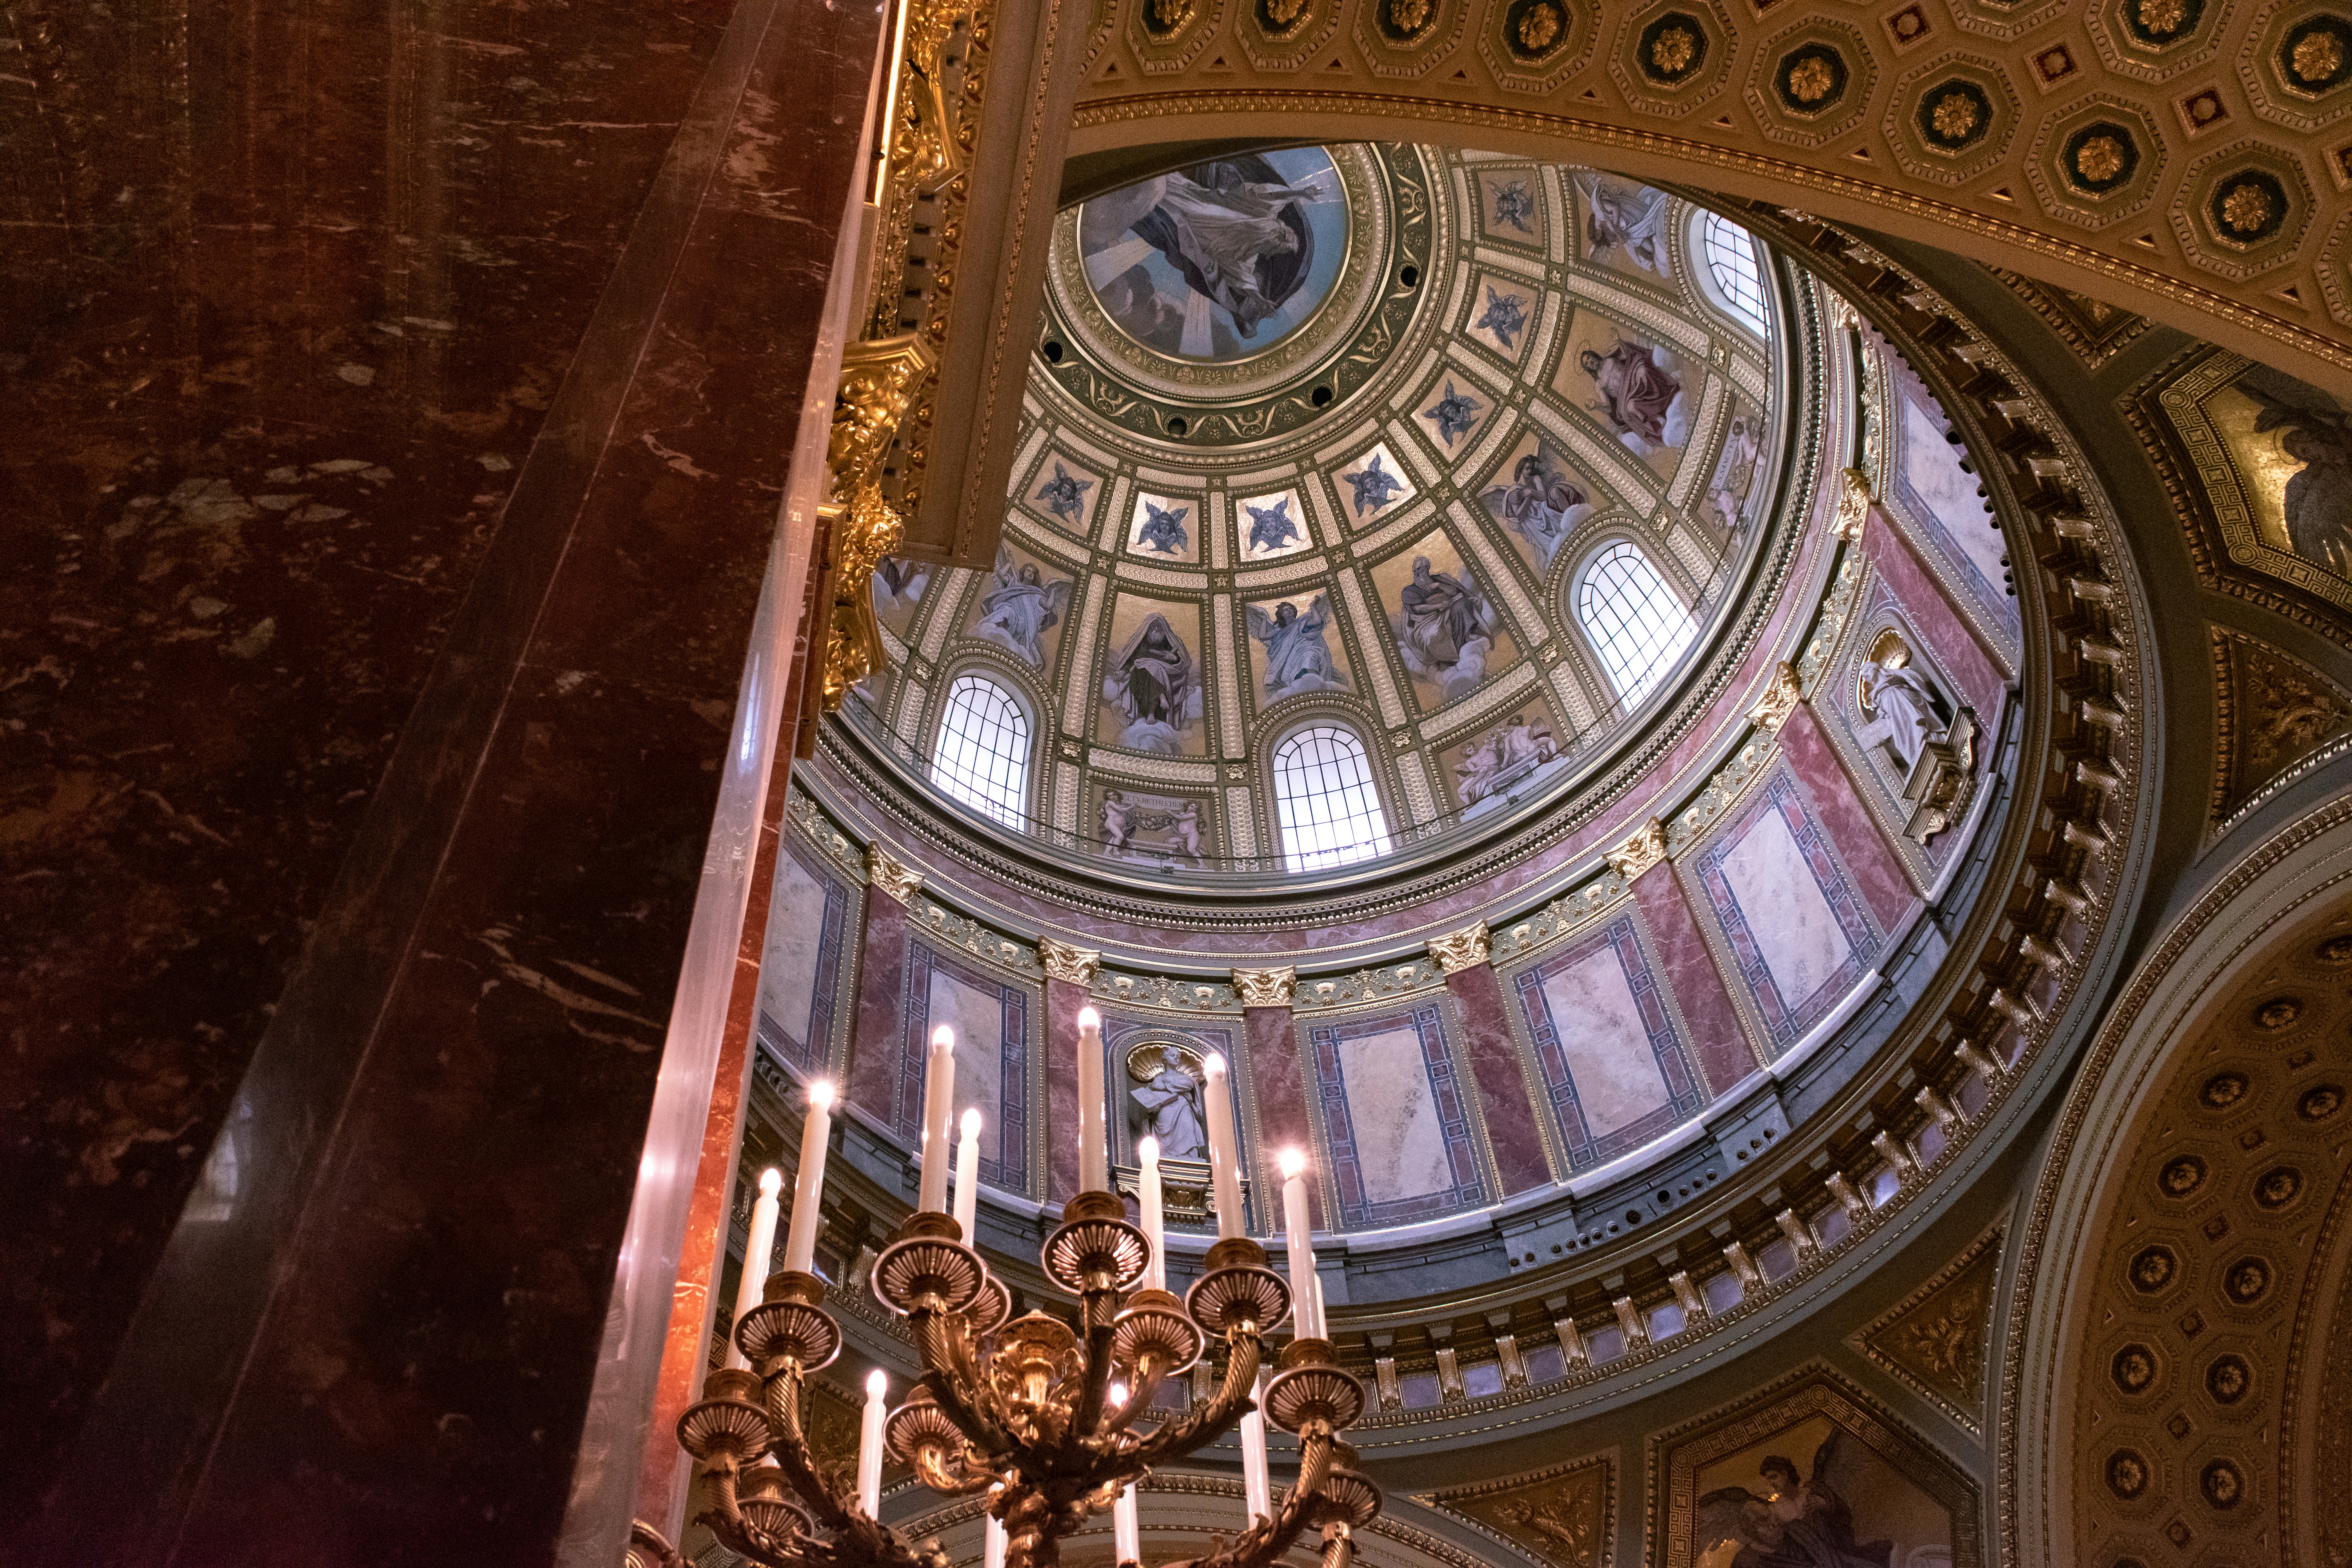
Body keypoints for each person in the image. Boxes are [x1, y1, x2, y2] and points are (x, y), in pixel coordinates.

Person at [1396, 555, 1495, 698]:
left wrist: (1439, 586)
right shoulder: (1409, 591)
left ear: (1427, 569)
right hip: (1426, 620)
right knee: (1433, 634)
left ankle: (1467, 637)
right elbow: (1417, 609)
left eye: (1421, 569)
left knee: (1462, 604)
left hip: (1448, 608)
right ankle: (1447, 660)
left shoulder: (1440, 579)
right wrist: (1438, 606)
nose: (1418, 573)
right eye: (1415, 571)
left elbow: (1455, 592)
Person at [1103, 613, 1199, 750]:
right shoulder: (1139, 644)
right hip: (1140, 680)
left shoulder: (1171, 644)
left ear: (1164, 630)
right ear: (1147, 629)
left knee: (1152, 668)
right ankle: (1160, 697)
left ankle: (1152, 711)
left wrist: (1174, 659)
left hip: (1165, 680)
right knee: (1145, 668)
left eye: (1159, 629)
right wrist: (1123, 672)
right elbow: (1129, 661)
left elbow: (1184, 666)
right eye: (1153, 628)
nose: (1156, 631)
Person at [972, 546, 1071, 668]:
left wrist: (1054, 592)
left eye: (1033, 573)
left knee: (1008, 611)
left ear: (1035, 577)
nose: (1030, 574)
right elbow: (1001, 574)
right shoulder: (1015, 584)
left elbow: (1048, 606)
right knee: (1007, 609)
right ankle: (990, 629)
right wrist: (1009, 563)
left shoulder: (1037, 593)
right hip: (1010, 614)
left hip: (1023, 623)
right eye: (1028, 571)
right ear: (1023, 573)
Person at [1580, 339, 1684, 448]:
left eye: (1589, 358)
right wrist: (1596, 405)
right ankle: (1655, 424)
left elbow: (1629, 355)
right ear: (1588, 369)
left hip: (1633, 379)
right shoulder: (1599, 385)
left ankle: (1667, 394)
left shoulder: (1610, 360)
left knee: (1643, 371)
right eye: (1587, 364)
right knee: (1631, 408)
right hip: (1625, 397)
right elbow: (1609, 408)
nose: (1590, 362)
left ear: (1593, 355)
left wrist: (1619, 341)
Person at [1858, 654, 1946, 772]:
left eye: (1867, 671)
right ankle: (1917, 756)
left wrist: (1899, 675)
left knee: (1916, 724)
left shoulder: (1894, 675)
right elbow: (1884, 717)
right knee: (1903, 736)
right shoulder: (1877, 695)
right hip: (1895, 716)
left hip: (1905, 701)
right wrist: (1879, 735)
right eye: (1864, 676)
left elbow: (1915, 681)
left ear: (1875, 668)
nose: (1866, 676)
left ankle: (1927, 742)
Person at [1247, 594, 1344, 699]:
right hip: (1288, 660)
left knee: (1309, 656)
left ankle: (1311, 685)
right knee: (1281, 675)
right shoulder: (1279, 630)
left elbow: (1317, 622)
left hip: (1306, 651)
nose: (1289, 611)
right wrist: (1264, 620)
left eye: (1290, 609)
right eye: (1285, 610)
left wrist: (1313, 607)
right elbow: (1263, 636)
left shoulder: (1303, 621)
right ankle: (1300, 689)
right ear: (1282, 615)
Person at [1129, 1046, 1207, 1160]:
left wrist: (1164, 1087)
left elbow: (1189, 1085)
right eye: (1173, 1055)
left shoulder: (1184, 1077)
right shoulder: (1159, 1078)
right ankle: (1167, 1156)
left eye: (1178, 1057)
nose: (1176, 1058)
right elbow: (1154, 1093)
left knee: (1188, 1127)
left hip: (1183, 1107)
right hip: (1165, 1109)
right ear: (1165, 1059)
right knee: (1164, 1133)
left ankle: (1190, 1156)